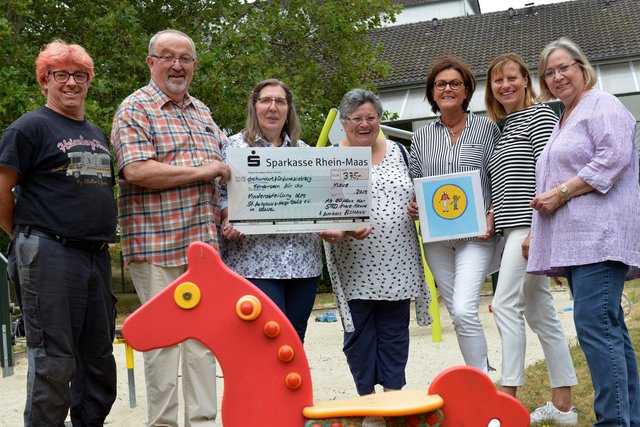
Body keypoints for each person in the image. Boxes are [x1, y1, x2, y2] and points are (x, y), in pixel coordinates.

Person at [111, 29, 230, 427]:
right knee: (162, 343)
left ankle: (202, 422)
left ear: (194, 66)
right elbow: (136, 170)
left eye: (185, 58)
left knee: (202, 341)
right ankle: (161, 424)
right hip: (156, 244)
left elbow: (222, 171)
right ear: (150, 62)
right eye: (168, 57)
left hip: (204, 248)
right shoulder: (135, 108)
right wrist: (204, 171)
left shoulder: (202, 111)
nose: (177, 65)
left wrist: (229, 208)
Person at [0, 40, 117, 426]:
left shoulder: (97, 132)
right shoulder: (29, 127)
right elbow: (1, 191)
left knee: (98, 362)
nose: (71, 83)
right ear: (44, 80)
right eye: (61, 75)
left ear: (88, 81)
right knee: (54, 361)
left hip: (95, 255)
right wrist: (25, 237)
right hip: (48, 252)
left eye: (79, 75)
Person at [529, 37, 640, 426]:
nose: (558, 76)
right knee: (608, 327)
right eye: (549, 72)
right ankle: (628, 418)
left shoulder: (601, 103)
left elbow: (615, 156)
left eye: (564, 67)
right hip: (581, 241)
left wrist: (559, 194)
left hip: (600, 236)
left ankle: (613, 421)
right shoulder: (566, 117)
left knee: (596, 327)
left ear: (582, 67)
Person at [484, 53, 578, 424]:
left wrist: (540, 232)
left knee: (505, 305)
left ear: (526, 80)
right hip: (511, 227)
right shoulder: (504, 125)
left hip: (529, 225)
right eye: (497, 81)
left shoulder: (539, 115)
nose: (505, 85)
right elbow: (506, 180)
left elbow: (549, 170)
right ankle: (563, 405)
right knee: (541, 314)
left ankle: (507, 399)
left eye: (512, 78)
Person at [322, 89, 431, 397]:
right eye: (357, 118)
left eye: (371, 117)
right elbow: (322, 210)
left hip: (399, 258)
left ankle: (394, 397)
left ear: (379, 120)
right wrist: (341, 230)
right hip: (354, 263)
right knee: (358, 334)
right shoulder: (331, 157)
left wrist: (418, 206)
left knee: (395, 332)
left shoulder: (399, 151)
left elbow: (415, 193)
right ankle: (368, 400)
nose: (365, 124)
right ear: (344, 122)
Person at [407, 57, 499, 373]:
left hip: (476, 235)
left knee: (463, 309)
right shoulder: (420, 137)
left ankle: (484, 385)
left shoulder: (487, 129)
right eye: (441, 84)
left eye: (455, 83)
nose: (448, 89)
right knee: (458, 314)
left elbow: (499, 178)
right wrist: (415, 206)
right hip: (437, 240)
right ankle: (479, 373)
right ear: (433, 93)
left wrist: (491, 212)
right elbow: (416, 184)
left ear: (466, 90)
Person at [219, 79, 322, 342]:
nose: (273, 107)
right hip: (254, 262)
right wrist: (226, 214)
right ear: (254, 107)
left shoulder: (305, 152)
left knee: (295, 340)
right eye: (266, 100)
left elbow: (317, 201)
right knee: (265, 340)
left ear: (289, 109)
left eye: (280, 101)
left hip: (302, 263)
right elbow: (217, 193)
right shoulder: (234, 147)